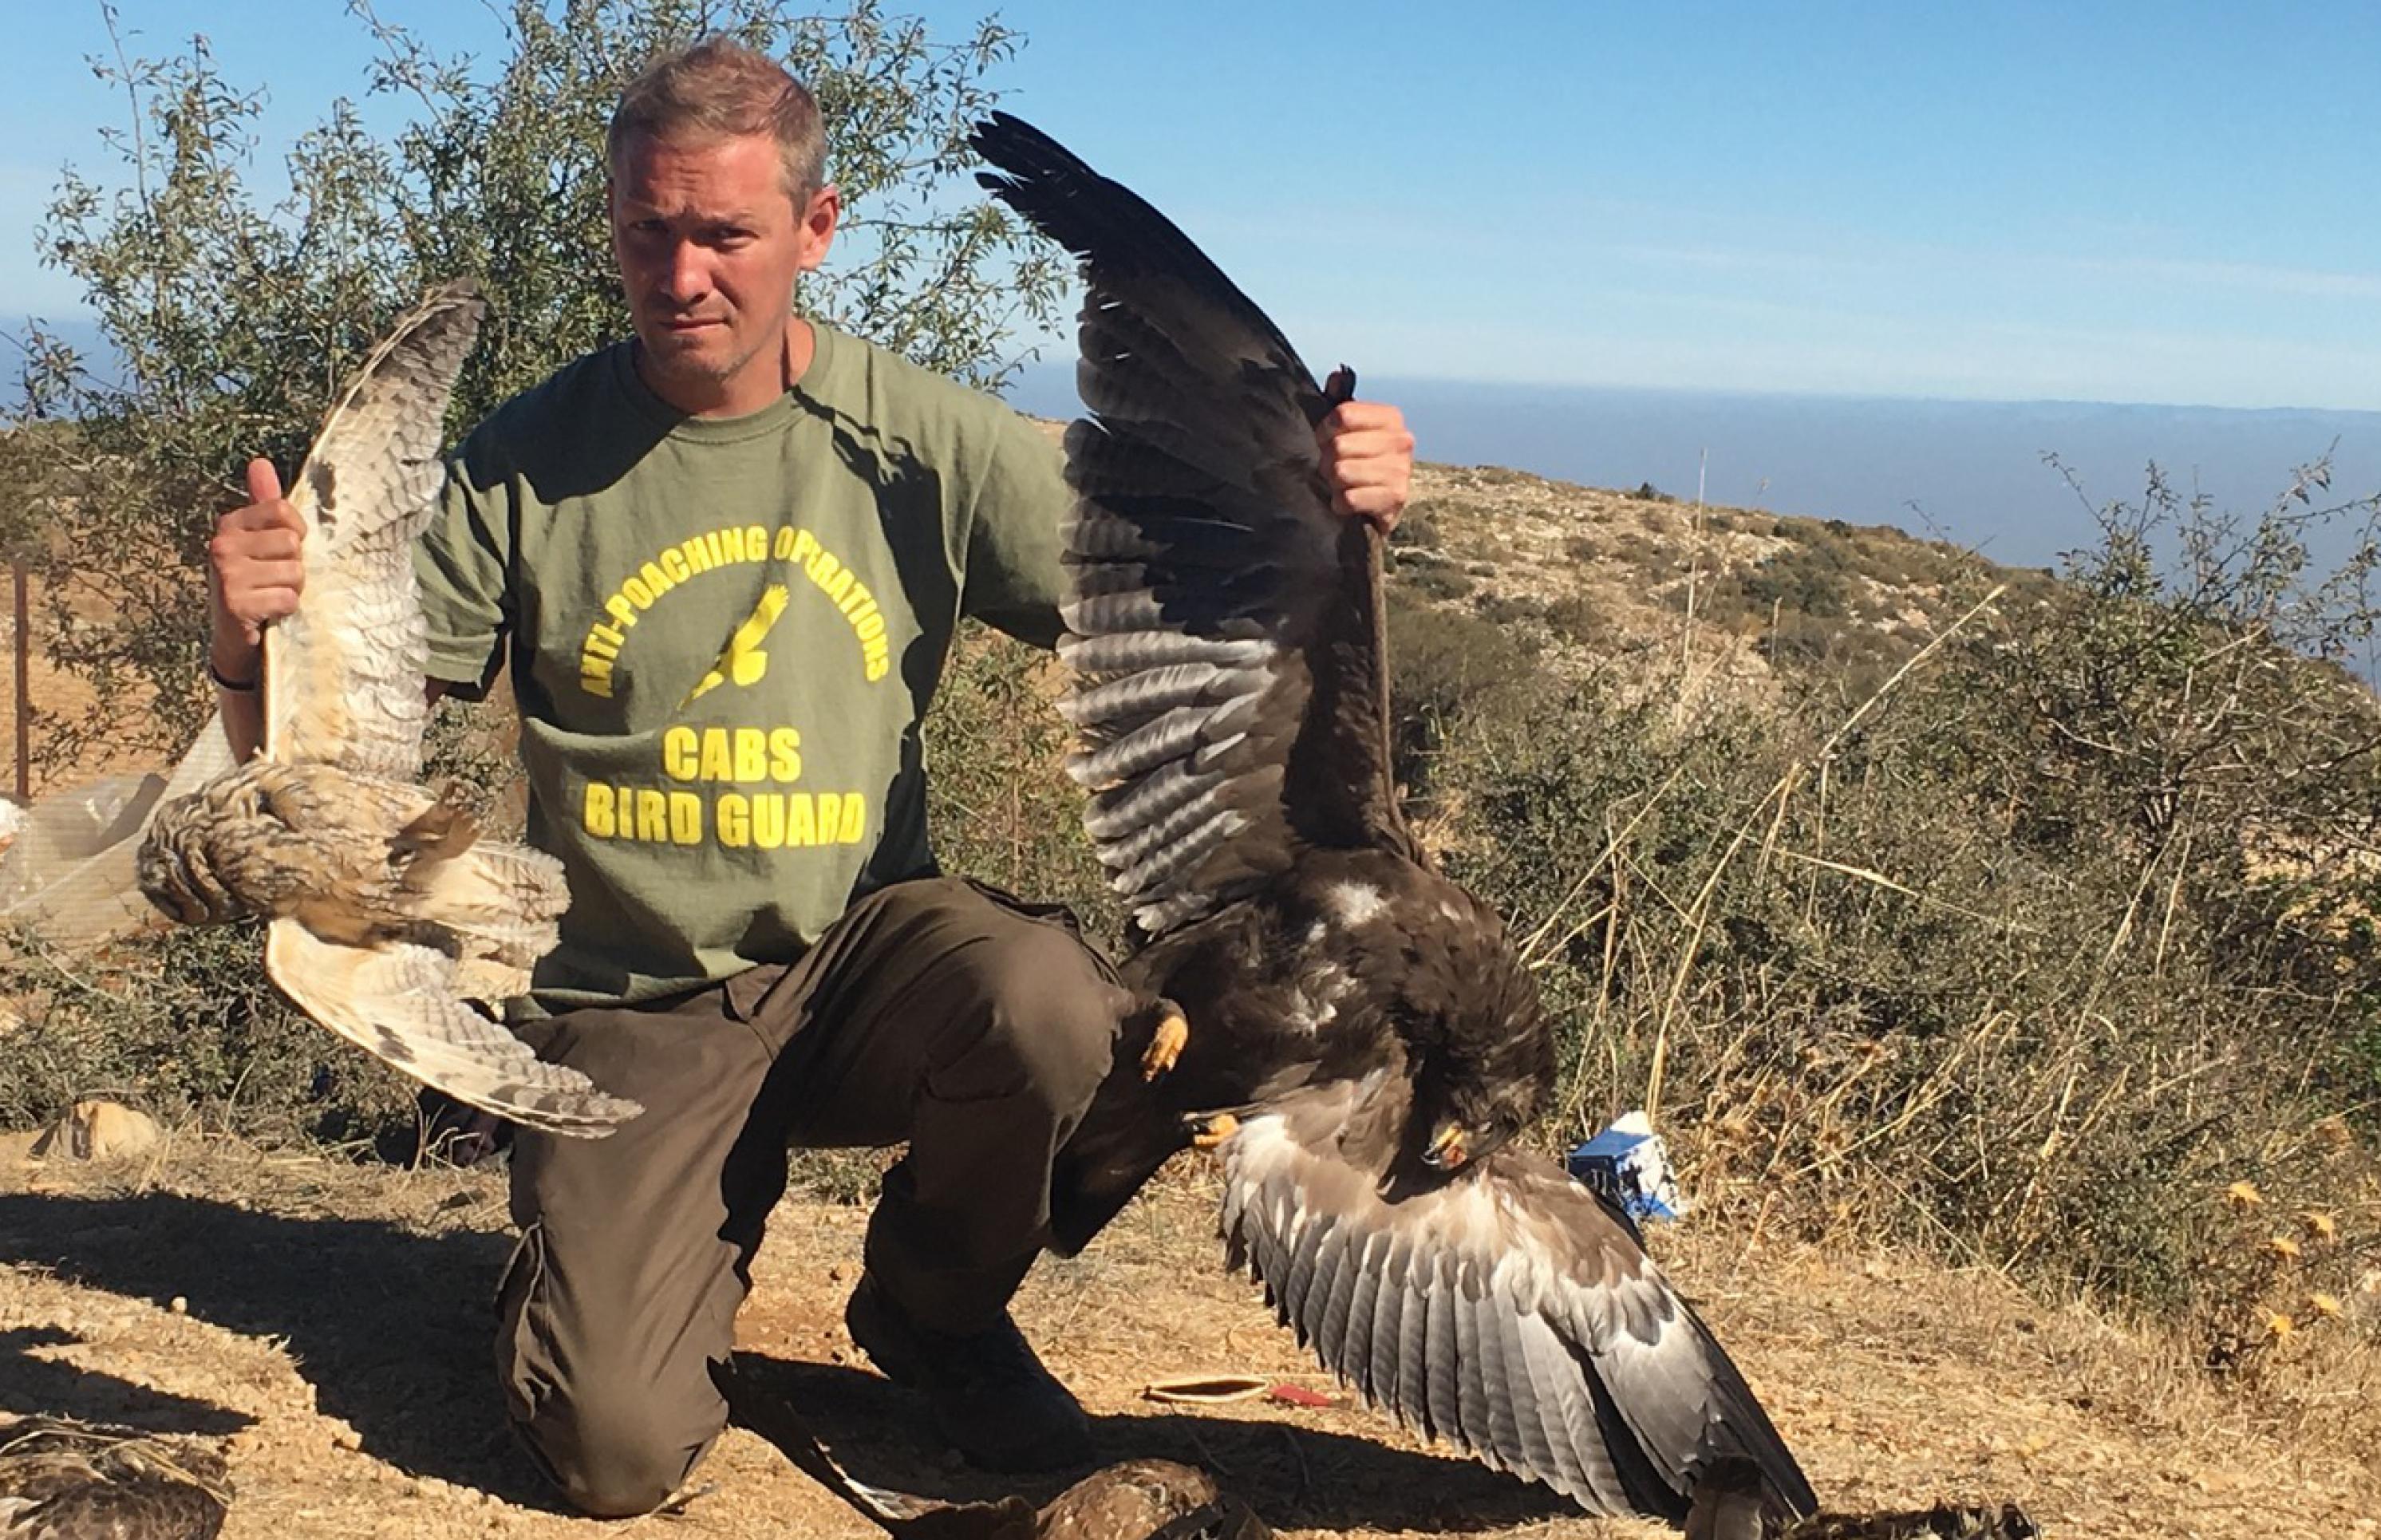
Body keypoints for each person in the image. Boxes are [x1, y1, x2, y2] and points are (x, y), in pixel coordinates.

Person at [203, 38, 1414, 1519]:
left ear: (815, 229)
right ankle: (585, 1267)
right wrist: (250, 633)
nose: (683, 273)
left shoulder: (926, 439)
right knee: (612, 1454)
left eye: (726, 233)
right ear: (613, 225)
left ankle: (935, 1312)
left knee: (1046, 1000)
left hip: (863, 968)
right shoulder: (530, 460)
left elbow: (1194, 597)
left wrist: (1334, 508)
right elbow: (341, 752)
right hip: (630, 1005)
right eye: (650, 230)